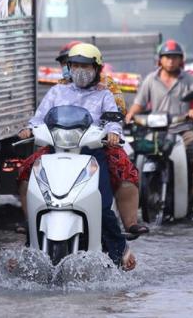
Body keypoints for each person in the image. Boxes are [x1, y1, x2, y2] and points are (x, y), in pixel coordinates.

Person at [17, 43, 136, 270]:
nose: (81, 70)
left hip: (90, 153)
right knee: (38, 196)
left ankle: (120, 250)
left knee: (101, 205)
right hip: (56, 151)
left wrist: (112, 132)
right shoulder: (56, 91)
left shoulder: (104, 94)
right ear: (69, 67)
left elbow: (113, 120)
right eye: (76, 65)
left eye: (86, 65)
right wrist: (29, 129)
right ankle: (28, 250)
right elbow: (39, 118)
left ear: (96, 68)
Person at [53, 41, 148, 238]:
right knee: (30, 168)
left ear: (94, 66)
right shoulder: (59, 87)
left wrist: (108, 131)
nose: (75, 69)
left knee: (123, 169)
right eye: (69, 63)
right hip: (62, 142)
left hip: (98, 142)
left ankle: (130, 223)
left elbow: (117, 112)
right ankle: (31, 222)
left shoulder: (106, 86)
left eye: (83, 65)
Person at [125, 39, 193, 206]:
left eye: (174, 57)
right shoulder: (150, 79)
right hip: (156, 131)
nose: (171, 61)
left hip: (182, 129)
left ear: (181, 60)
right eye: (167, 57)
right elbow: (139, 103)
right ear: (160, 59)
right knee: (134, 155)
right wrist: (130, 114)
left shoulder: (187, 79)